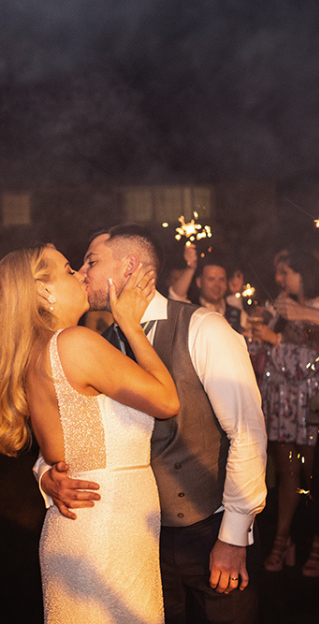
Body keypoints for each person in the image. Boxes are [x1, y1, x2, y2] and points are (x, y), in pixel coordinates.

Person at [37, 225, 267, 624]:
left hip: (209, 528)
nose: (82, 271)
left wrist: (233, 536)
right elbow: (73, 427)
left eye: (92, 261)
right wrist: (44, 474)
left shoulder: (203, 328)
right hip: (137, 540)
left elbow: (246, 434)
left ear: (129, 266)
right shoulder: (95, 346)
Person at [0, 244, 179, 623]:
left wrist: (44, 475)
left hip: (85, 527)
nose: (82, 274)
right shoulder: (74, 344)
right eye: (70, 270)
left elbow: (64, 443)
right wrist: (132, 327)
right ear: (43, 290)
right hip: (108, 529)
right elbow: (167, 401)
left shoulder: (38, 350)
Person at [251, 249, 319, 574]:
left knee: (312, 475)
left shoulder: (315, 308)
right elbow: (262, 350)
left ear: (303, 273)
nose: (280, 279)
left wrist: (275, 337)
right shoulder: (282, 306)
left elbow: (308, 363)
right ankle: (281, 539)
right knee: (287, 475)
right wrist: (255, 335)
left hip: (309, 404)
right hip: (280, 405)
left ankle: (315, 545)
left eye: (286, 272)